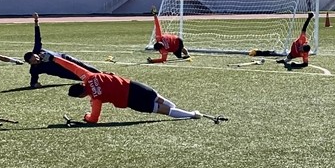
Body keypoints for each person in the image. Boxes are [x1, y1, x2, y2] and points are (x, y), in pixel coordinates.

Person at [44, 53, 216, 124]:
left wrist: (86, 117)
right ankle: (189, 112)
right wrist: (53, 58)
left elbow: (94, 119)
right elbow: (71, 66)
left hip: (131, 101)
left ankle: (192, 115)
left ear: (81, 95)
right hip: (134, 86)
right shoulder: (88, 77)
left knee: (161, 110)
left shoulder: (95, 99)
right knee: (159, 98)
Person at [22, 13, 99, 88]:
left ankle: (103, 75)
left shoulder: (37, 50)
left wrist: (36, 21)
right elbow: (33, 82)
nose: (37, 59)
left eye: (36, 57)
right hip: (62, 72)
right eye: (34, 61)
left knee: (85, 66)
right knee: (82, 77)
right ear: (30, 63)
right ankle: (98, 81)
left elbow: (37, 37)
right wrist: (35, 85)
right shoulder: (34, 69)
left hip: (65, 59)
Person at [250, 11, 314, 70]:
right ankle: (285, 60)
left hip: (294, 54)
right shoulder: (302, 39)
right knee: (288, 57)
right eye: (301, 47)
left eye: (301, 50)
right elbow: (304, 29)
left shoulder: (305, 54)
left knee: (290, 56)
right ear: (303, 45)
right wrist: (309, 18)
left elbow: (306, 64)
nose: (300, 48)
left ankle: (285, 60)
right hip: (292, 52)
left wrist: (296, 65)